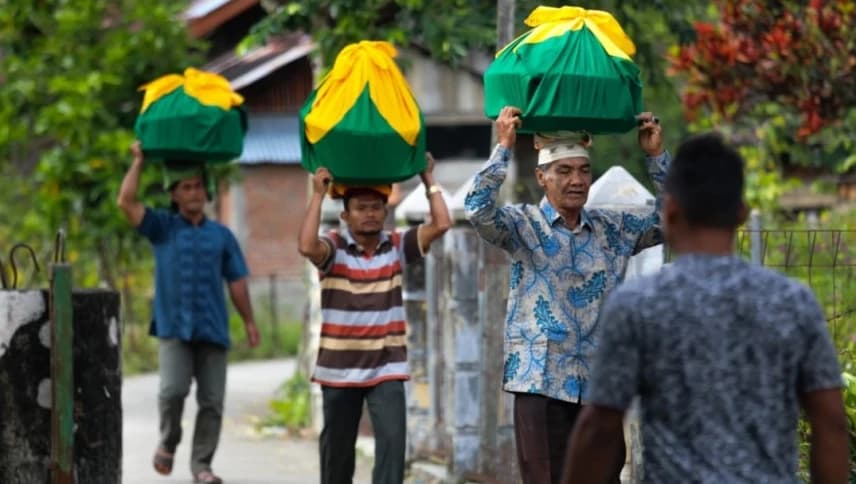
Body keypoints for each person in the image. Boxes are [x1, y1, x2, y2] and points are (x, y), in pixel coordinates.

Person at [563, 133, 849, 484]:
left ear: (669, 213)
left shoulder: (638, 305)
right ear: (741, 214)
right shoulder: (792, 302)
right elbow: (831, 422)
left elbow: (599, 428)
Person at [464, 106, 670, 484]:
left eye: (583, 170)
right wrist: (503, 147)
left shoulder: (613, 229)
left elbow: (675, 218)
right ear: (542, 177)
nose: (577, 180)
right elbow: (477, 209)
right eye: (564, 171)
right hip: (540, 383)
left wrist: (655, 156)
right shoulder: (522, 225)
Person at [298, 153, 451, 484]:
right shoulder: (334, 248)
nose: (369, 213)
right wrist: (316, 195)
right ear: (346, 215)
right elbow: (307, 246)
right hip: (338, 370)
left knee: (394, 444)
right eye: (361, 208)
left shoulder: (396, 245)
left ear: (385, 211)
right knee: (337, 454)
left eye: (375, 207)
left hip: (387, 368)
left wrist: (428, 179)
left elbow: (442, 224)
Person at [117, 141, 260, 484]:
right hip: (173, 328)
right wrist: (138, 161)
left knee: (212, 401)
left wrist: (250, 322)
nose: (194, 192)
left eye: (198, 186)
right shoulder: (162, 228)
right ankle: (168, 440)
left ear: (207, 191)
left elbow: (237, 281)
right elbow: (126, 202)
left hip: (213, 328)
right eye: (186, 187)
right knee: (172, 391)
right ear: (175, 194)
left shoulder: (222, 236)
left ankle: (201, 466)